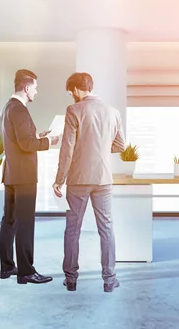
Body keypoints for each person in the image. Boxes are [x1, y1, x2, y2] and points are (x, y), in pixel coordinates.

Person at [52, 72, 126, 293]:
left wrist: (59, 180)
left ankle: (72, 279)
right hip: (103, 180)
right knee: (106, 229)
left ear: (76, 90)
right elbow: (120, 145)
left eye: (70, 92)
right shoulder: (113, 112)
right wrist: (101, 149)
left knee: (73, 229)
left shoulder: (74, 110)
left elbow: (67, 150)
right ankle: (109, 279)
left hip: (78, 180)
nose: (70, 96)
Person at [0, 69, 59, 285]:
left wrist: (38, 136)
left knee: (10, 221)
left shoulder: (8, 108)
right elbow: (26, 145)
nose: (36, 91)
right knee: (25, 223)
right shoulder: (20, 110)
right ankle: (26, 272)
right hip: (24, 175)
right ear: (26, 87)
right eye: (35, 87)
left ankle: (7, 267)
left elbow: (19, 139)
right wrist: (49, 142)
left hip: (11, 174)